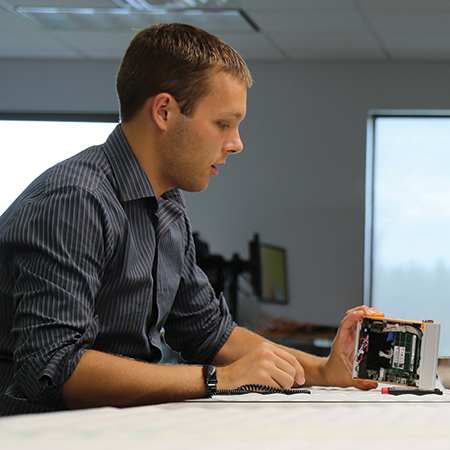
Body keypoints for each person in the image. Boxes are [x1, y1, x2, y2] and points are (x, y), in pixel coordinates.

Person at [0, 23, 382, 416]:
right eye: (223, 123)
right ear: (164, 111)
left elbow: (208, 332)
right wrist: (218, 379)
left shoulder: (166, 204)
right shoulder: (76, 200)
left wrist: (325, 370)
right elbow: (55, 369)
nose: (236, 143)